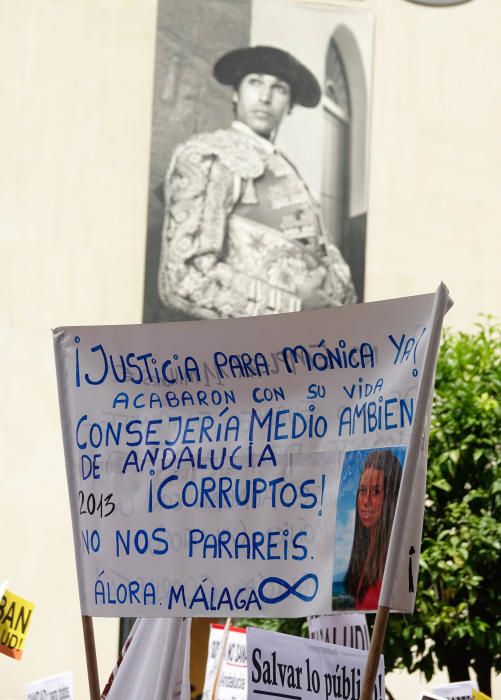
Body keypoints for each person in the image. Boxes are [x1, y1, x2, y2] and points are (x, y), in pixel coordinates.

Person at [157, 45, 356, 320]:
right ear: (236, 93)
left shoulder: (287, 170)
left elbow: (327, 258)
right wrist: (293, 306)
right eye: (255, 82)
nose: (265, 97)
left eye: (279, 89)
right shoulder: (208, 155)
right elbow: (184, 276)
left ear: (289, 106)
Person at [344, 450, 403, 610]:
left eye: (376, 491)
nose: (366, 501)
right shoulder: (363, 553)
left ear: (391, 497)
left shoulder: (397, 557)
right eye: (362, 491)